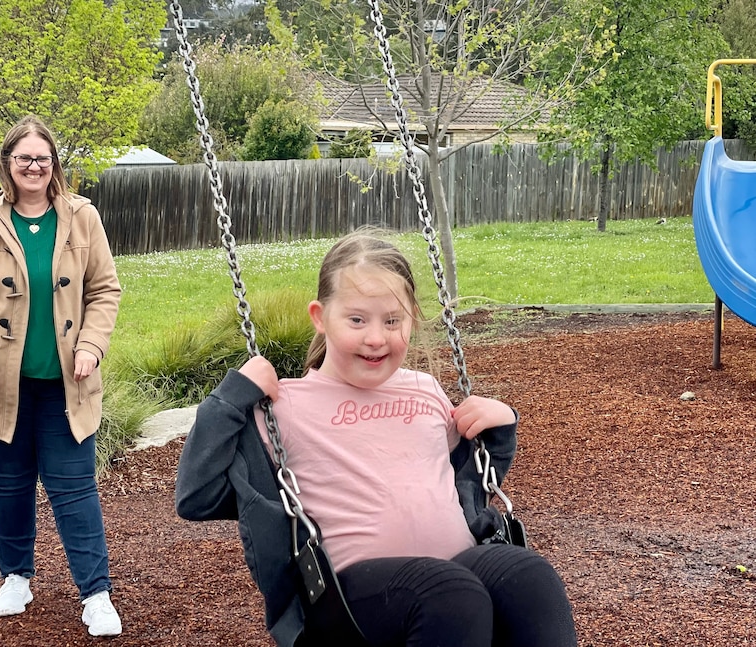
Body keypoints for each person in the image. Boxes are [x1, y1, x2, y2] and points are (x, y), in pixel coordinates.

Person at [176, 230, 577, 647]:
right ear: (320, 316)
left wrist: (499, 427)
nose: (375, 337)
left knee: (528, 575)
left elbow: (468, 485)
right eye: (356, 320)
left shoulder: (425, 389)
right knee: (449, 592)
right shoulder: (284, 407)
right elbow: (197, 497)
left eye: (392, 320)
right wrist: (231, 399)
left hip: (456, 572)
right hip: (348, 602)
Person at [0, 115, 123, 637]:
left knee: (74, 488)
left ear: (54, 165)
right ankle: (17, 576)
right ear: (7, 164)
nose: (33, 166)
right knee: (9, 485)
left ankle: (95, 593)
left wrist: (91, 345)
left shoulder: (82, 218)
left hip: (66, 384)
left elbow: (105, 290)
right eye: (23, 157)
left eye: (42, 157)